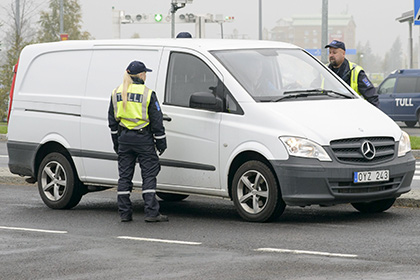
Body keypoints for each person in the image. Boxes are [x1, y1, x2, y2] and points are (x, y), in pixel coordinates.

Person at [108, 60, 168, 223]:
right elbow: (157, 121)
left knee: (124, 177)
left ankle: (125, 213)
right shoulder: (147, 93)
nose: (146, 75)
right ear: (141, 75)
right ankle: (151, 213)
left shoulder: (117, 92)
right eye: (145, 73)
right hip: (143, 139)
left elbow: (112, 121)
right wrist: (161, 143)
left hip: (124, 139)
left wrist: (116, 142)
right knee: (149, 174)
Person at [325, 40, 379, 107]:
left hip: (351, 112)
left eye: (334, 53)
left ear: (343, 54)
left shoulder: (356, 71)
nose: (331, 55)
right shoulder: (324, 70)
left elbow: (372, 97)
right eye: (330, 52)